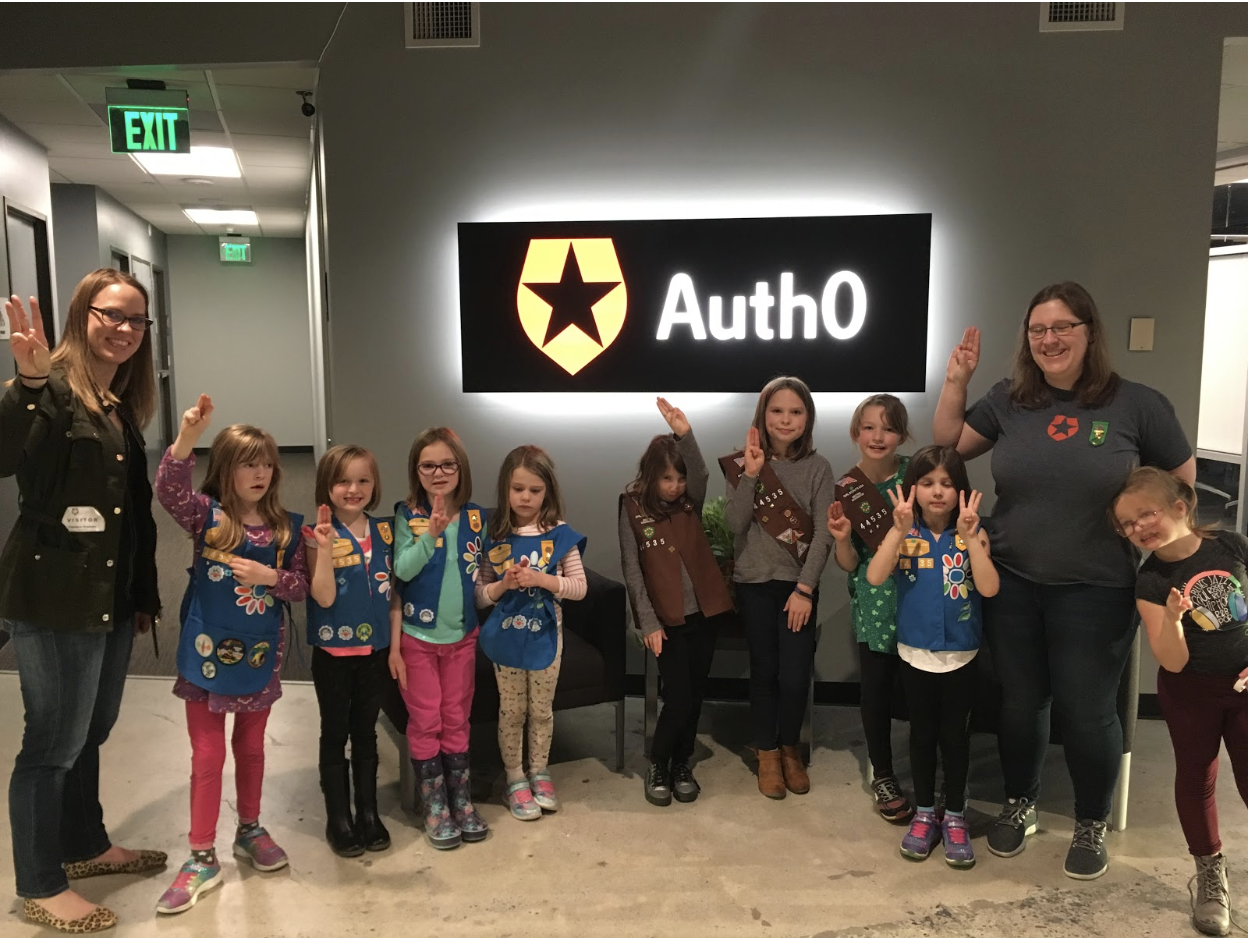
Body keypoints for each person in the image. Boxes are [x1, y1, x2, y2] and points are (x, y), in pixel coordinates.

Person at [933, 281, 1195, 879]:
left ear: (1088, 332)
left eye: (1062, 327)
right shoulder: (1009, 399)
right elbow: (948, 446)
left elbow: (1181, 487)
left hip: (1098, 587)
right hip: (1013, 579)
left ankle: (1090, 820)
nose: (1049, 339)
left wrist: (1152, 536)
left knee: (1087, 711)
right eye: (1037, 330)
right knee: (1021, 704)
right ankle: (1021, 804)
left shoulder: (1136, 404)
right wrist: (956, 381)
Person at [1, 275, 166, 933]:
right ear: (83, 314)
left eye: (136, 321)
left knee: (89, 730)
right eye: (111, 316)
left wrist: (142, 596)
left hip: (110, 597)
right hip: (54, 593)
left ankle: (85, 845)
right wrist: (29, 384)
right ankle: (41, 883)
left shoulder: (114, 397)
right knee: (51, 741)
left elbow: (130, 515)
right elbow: (4, 455)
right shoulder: (54, 390)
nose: (124, 330)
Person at [154, 399, 308, 914]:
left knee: (252, 747)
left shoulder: (288, 528)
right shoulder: (206, 516)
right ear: (225, 469)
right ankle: (201, 854)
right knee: (206, 754)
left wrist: (270, 578)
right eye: (247, 462)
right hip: (204, 658)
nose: (259, 472)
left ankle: (250, 828)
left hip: (260, 657)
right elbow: (168, 491)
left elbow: (302, 587)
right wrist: (185, 439)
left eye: (266, 462)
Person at [1115, 468, 1248, 936]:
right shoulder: (1151, 580)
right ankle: (1210, 873)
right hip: (1191, 690)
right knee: (1197, 777)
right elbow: (1170, 663)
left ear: (1180, 506)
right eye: (1127, 524)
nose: (1138, 529)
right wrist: (1172, 620)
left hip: (1246, 684)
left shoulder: (1232, 546)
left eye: (1144, 514)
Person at [867, 446, 999, 869]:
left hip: (962, 655)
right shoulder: (905, 534)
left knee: (956, 740)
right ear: (913, 489)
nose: (937, 492)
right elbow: (874, 575)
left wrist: (972, 537)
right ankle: (924, 812)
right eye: (927, 483)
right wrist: (897, 530)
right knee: (922, 737)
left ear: (960, 489)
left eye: (946, 483)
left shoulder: (974, 533)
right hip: (915, 654)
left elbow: (990, 587)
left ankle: (955, 814)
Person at [723, 376, 836, 798]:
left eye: (796, 412)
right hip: (753, 584)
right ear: (762, 416)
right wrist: (751, 476)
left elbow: (824, 531)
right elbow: (734, 524)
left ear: (807, 418)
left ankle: (790, 747)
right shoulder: (743, 463)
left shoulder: (818, 467)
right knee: (763, 673)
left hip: (797, 590)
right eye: (777, 411)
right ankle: (766, 752)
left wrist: (805, 589)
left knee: (794, 676)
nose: (786, 420)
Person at [621, 399, 733, 807]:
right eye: (666, 478)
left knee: (696, 692)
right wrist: (647, 622)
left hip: (703, 614)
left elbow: (700, 472)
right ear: (651, 476)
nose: (674, 486)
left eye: (679, 478)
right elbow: (632, 569)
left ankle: (682, 763)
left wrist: (685, 433)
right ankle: (658, 762)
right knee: (679, 696)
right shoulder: (632, 506)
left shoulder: (691, 501)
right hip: (664, 621)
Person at [389, 427, 490, 850]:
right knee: (426, 719)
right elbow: (403, 571)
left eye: (447, 464)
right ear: (417, 470)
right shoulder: (406, 514)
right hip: (418, 638)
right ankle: (434, 804)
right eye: (428, 465)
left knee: (456, 718)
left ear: (460, 467)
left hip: (462, 639)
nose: (438, 472)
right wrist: (430, 534)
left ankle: (460, 799)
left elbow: (483, 572)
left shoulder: (475, 516)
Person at [476, 445, 587, 820]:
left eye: (534, 490)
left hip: (546, 640)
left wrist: (542, 579)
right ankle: (515, 778)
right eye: (518, 488)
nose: (525, 497)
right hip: (505, 640)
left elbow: (580, 587)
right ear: (505, 490)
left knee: (541, 710)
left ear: (548, 492)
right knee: (512, 711)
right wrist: (502, 586)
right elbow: (480, 595)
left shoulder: (560, 536)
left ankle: (539, 771)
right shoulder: (494, 535)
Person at [828, 394, 915, 823]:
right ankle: (883, 774)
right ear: (855, 432)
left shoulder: (917, 474)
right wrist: (843, 538)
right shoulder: (847, 489)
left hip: (922, 597)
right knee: (877, 691)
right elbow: (848, 562)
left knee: (924, 692)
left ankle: (931, 771)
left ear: (903, 434)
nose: (877, 436)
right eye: (868, 427)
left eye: (888, 427)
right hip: (876, 601)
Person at [303, 445, 394, 857]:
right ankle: (338, 817)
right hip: (334, 655)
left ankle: (369, 813)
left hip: (375, 652)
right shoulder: (315, 534)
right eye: (343, 481)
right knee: (334, 733)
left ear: (374, 486)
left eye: (363, 480)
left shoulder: (386, 533)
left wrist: (395, 648)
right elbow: (322, 597)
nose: (353, 489)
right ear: (328, 486)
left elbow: (395, 596)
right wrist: (324, 549)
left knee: (366, 733)